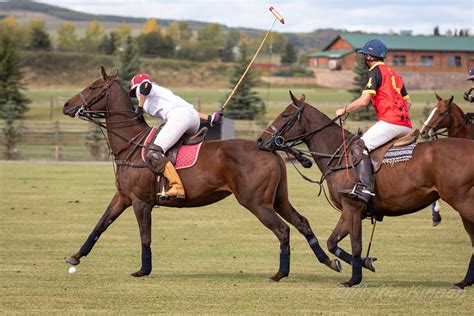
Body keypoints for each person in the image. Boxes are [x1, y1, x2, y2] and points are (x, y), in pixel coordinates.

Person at [335, 39, 413, 205]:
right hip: (406, 125)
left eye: (365, 55)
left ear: (370, 56)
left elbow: (363, 102)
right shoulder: (395, 74)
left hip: (391, 122)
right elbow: (409, 104)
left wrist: (345, 109)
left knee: (358, 146)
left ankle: (364, 188)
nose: (363, 58)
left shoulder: (375, 72)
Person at [129, 73, 223, 199]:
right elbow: (188, 111)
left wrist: (139, 108)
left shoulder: (147, 89)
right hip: (192, 118)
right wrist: (209, 118)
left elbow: (145, 86)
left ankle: (176, 186)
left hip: (180, 118)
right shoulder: (162, 93)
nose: (136, 95)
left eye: (135, 90)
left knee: (153, 152)